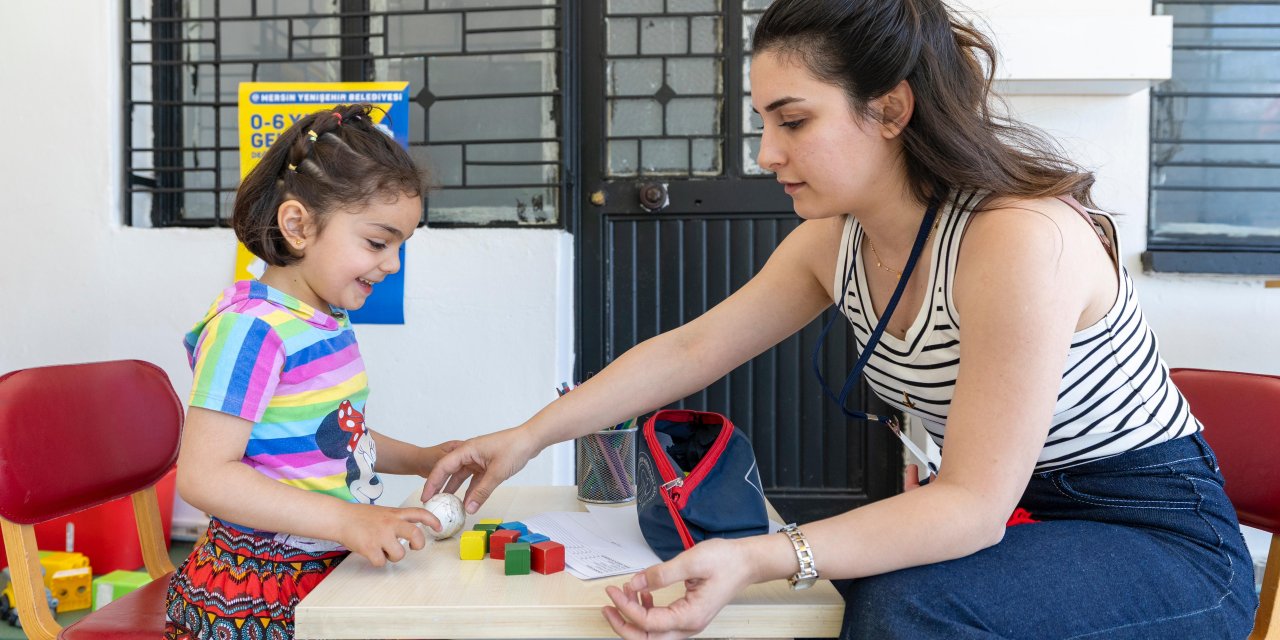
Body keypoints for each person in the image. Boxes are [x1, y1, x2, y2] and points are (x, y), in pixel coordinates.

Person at [423, 0, 1260, 637]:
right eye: (763, 123)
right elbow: (690, 350)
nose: (767, 154)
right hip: (1031, 519)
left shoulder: (1018, 241)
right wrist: (527, 435)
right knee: (835, 587)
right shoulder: (837, 242)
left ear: (890, 111)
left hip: (1156, 537)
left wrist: (755, 557)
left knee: (900, 605)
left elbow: (969, 506)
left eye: (793, 121)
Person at [165, 104, 460, 639]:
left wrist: (422, 459)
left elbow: (333, 433)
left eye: (400, 246)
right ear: (298, 225)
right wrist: (348, 520)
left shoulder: (326, 319)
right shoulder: (250, 330)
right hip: (255, 591)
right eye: (377, 242)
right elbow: (204, 476)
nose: (391, 264)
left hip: (325, 569)